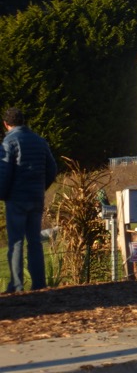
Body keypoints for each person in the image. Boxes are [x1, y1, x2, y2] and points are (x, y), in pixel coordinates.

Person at [0, 107, 57, 293]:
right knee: (34, 241)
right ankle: (39, 283)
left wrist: (3, 194)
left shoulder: (9, 141)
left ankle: (16, 285)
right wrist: (41, 187)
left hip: (16, 199)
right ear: (23, 121)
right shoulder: (40, 141)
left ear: (6, 124)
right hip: (36, 197)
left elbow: (5, 172)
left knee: (16, 242)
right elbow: (52, 169)